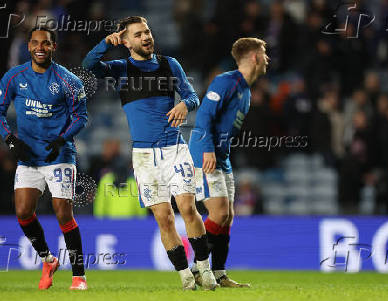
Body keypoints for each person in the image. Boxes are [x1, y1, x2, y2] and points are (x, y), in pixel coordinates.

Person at [82, 16, 216, 290]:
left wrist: (184, 106)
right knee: (164, 218)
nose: (146, 37)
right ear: (127, 41)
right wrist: (103, 45)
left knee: (188, 208)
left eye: (147, 31)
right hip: (144, 158)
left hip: (175, 149)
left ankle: (205, 269)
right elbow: (87, 68)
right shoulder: (120, 69)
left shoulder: (170, 64)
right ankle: (186, 277)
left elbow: (192, 96)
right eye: (138, 34)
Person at [0, 26, 88, 290]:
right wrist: (10, 140)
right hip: (29, 157)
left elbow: (81, 116)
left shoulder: (69, 80)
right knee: (22, 211)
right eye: (35, 43)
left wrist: (62, 139)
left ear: (53, 47)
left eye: (45, 43)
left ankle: (79, 277)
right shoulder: (14, 76)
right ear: (29, 46)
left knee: (62, 211)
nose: (40, 47)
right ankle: (48, 259)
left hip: (59, 155)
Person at [189, 37, 269, 287]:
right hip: (205, 153)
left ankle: (220, 274)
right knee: (219, 212)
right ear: (254, 57)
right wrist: (207, 151)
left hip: (222, 157)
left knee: (227, 216)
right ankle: (198, 269)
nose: (267, 59)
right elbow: (203, 116)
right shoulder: (226, 81)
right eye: (264, 54)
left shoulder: (245, 90)